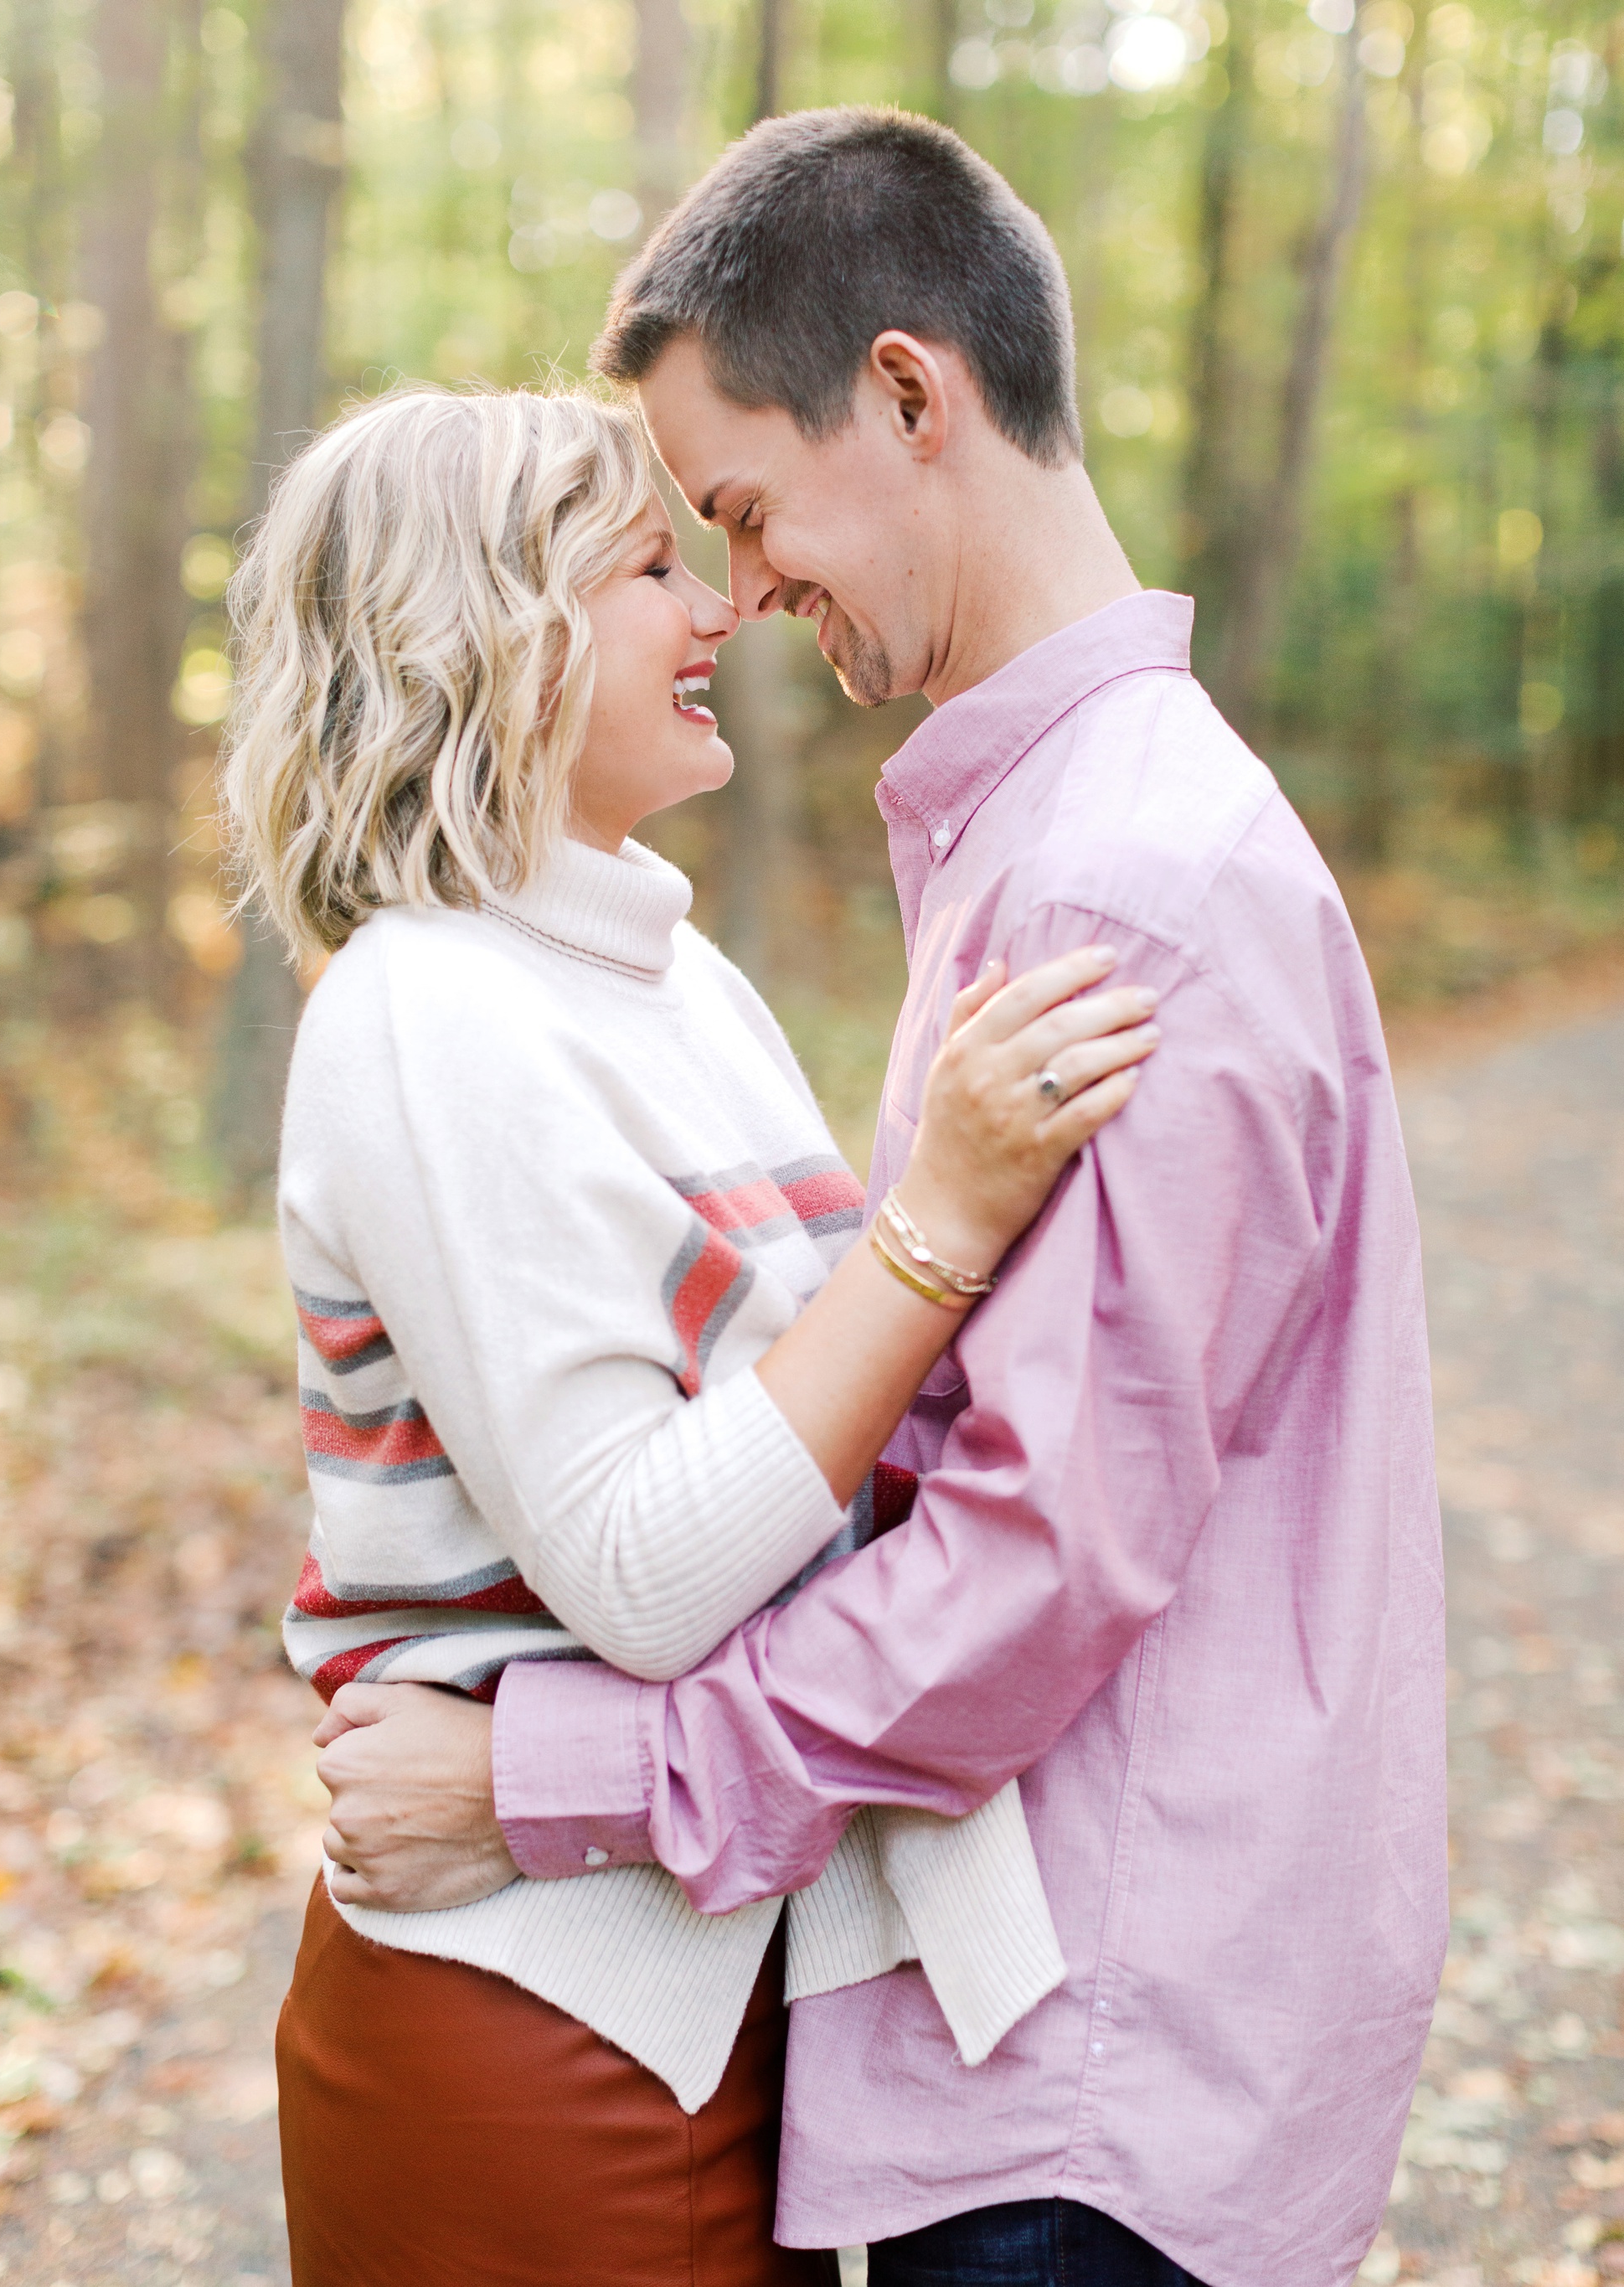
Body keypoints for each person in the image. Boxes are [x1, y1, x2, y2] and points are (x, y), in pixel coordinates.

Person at [317, 110, 1449, 2287]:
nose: (741, 593)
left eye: (741, 509)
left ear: (914, 397)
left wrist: (545, 1768)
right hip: (1049, 2044)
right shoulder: (1045, 840)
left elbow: (1024, 1562)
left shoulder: (1119, 883)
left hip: (1086, 2077)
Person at [220, 380, 1157, 2286]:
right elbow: (646, 1572)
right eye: (649, 566)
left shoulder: (671, 973)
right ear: (487, 638)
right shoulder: (425, 1014)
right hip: (540, 2023)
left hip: (739, 1961)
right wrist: (940, 1217)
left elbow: (839, 1468)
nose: (717, 606)